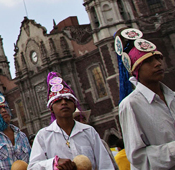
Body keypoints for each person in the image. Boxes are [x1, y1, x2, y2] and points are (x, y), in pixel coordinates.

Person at [116, 28, 175, 170]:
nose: (157, 63)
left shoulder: (172, 97)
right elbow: (138, 158)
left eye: (158, 58)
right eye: (148, 61)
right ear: (136, 70)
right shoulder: (131, 104)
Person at [29, 72, 114, 170]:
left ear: (74, 106)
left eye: (68, 100)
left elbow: (105, 164)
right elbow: (32, 167)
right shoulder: (43, 136)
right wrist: (54, 163)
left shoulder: (89, 131)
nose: (64, 102)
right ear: (51, 109)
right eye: (58, 101)